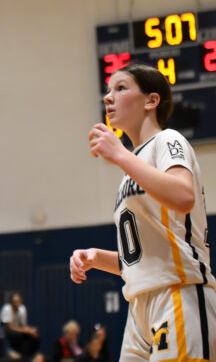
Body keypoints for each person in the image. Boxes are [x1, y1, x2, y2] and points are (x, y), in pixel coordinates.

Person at [69, 63, 216, 361]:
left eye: (120, 88)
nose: (108, 97)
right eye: (108, 91)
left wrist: (120, 155)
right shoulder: (130, 170)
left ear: (151, 101)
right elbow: (145, 257)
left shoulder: (168, 140)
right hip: (139, 307)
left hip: (178, 295)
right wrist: (97, 257)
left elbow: (183, 195)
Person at [0, 293, 39, 357]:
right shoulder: (7, 308)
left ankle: (29, 355)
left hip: (16, 328)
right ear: (11, 302)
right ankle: (9, 350)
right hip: (3, 328)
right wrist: (27, 331)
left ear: (21, 301)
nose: (16, 303)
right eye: (14, 301)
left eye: (18, 301)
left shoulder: (22, 309)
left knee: (35, 334)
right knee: (11, 332)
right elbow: (10, 327)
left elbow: (24, 325)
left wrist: (31, 330)